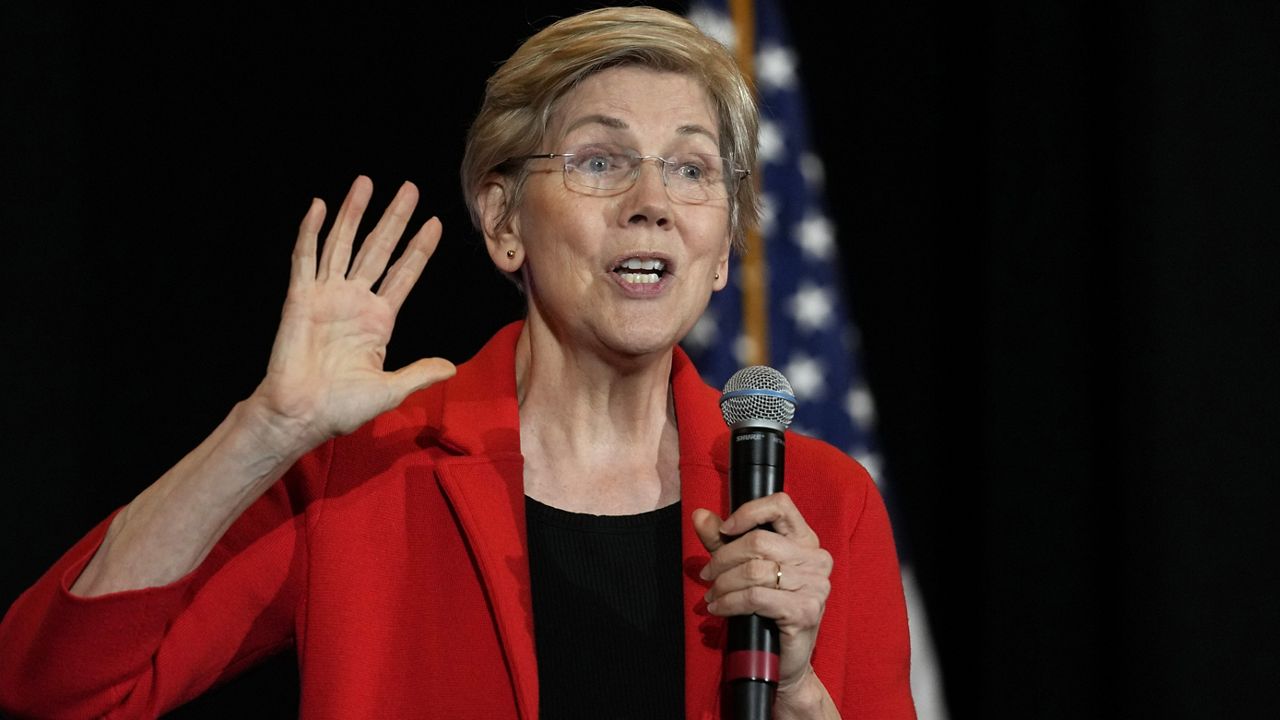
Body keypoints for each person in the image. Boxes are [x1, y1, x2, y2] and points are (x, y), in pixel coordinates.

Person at [0, 7, 913, 719]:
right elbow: (58, 690)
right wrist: (264, 432)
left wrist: (797, 694)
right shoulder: (365, 469)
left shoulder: (820, 507)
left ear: (722, 251)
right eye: (601, 160)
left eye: (692, 170)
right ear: (504, 220)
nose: (651, 203)